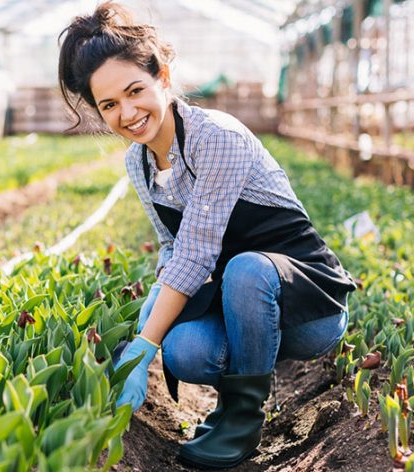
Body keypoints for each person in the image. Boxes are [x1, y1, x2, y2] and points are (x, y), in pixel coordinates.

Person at [58, 3, 357, 469]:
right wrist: (145, 329)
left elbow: (197, 254)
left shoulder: (215, 137)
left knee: (246, 268)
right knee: (186, 350)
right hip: (237, 305)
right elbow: (173, 248)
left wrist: (143, 347)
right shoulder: (138, 164)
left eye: (135, 90)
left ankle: (242, 416)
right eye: (110, 105)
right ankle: (234, 393)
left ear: (163, 75)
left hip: (306, 308)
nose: (128, 113)